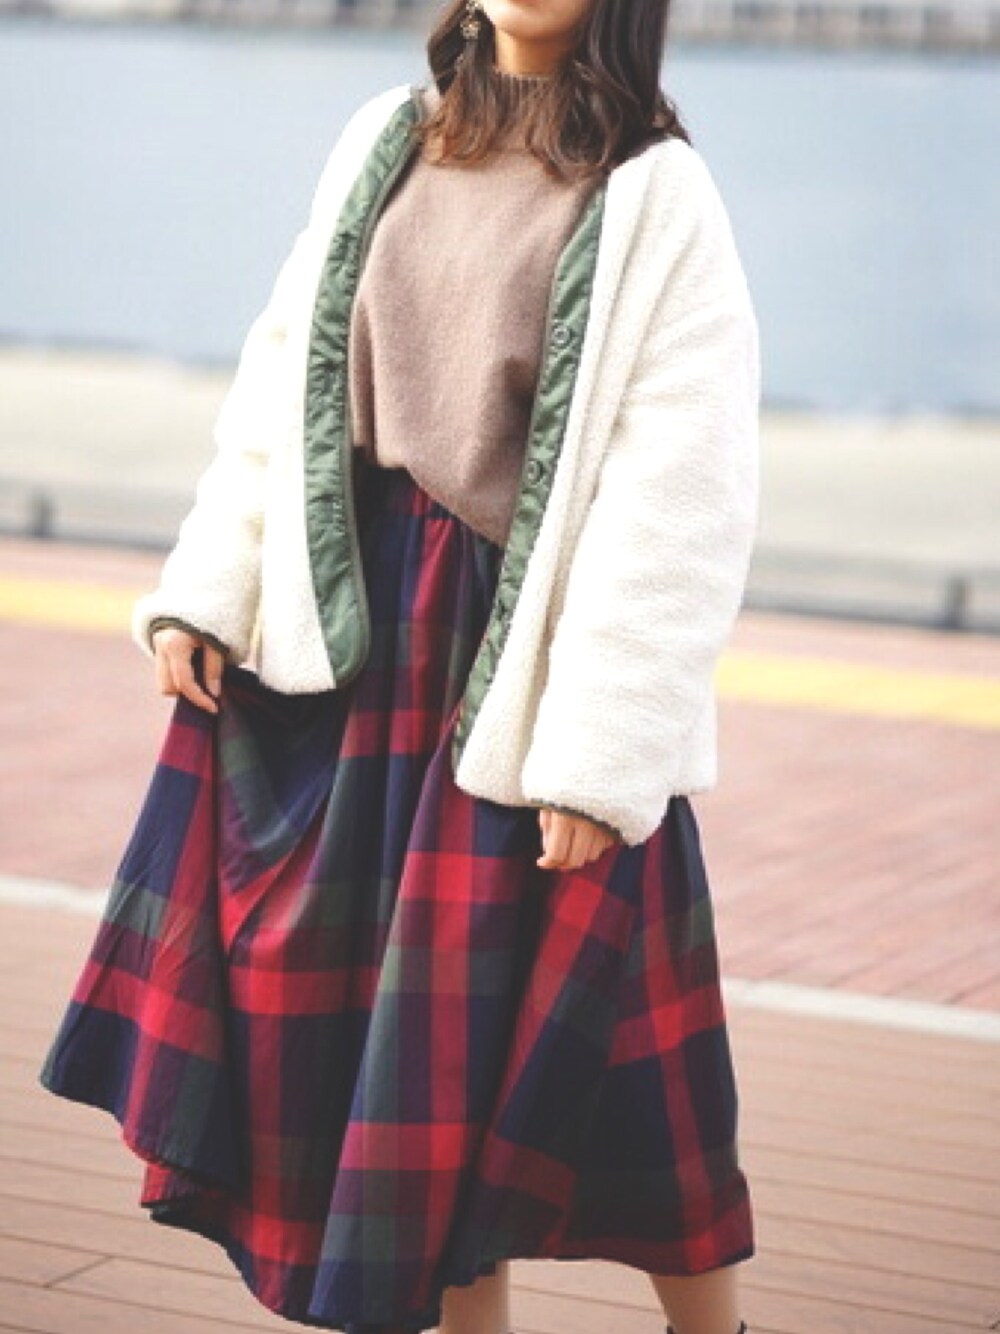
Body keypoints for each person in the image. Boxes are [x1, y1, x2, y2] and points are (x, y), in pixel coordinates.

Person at [38, 2, 761, 1332]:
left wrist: (599, 757)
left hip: (528, 668)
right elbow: (284, 382)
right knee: (413, 1067)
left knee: (627, 1080)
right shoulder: (386, 137)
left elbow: (678, 496)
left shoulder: (660, 193)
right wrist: (212, 585)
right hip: (352, 641)